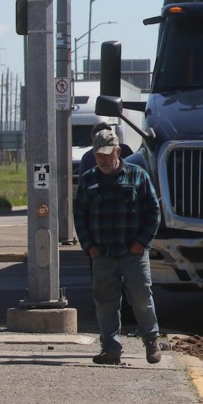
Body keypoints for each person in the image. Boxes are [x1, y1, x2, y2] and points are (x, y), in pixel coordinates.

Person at [73, 128, 163, 365]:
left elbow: (154, 212)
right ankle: (111, 348)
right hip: (102, 254)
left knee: (142, 299)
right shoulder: (88, 179)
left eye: (106, 154)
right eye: (97, 155)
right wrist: (90, 247)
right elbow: (80, 216)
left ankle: (151, 342)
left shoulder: (138, 176)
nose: (101, 159)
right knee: (105, 303)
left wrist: (141, 243)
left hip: (133, 253)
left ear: (117, 151)